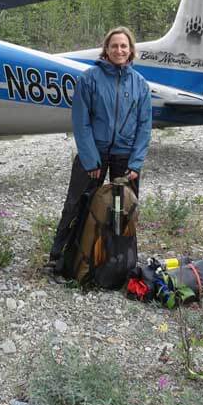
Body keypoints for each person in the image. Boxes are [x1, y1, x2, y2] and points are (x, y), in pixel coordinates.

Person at [46, 26, 153, 270]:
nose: (119, 50)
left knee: (123, 210)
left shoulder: (140, 85)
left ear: (131, 50)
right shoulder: (89, 79)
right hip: (93, 152)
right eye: (114, 46)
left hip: (125, 156)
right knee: (77, 204)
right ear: (106, 49)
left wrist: (136, 163)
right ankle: (61, 258)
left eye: (124, 46)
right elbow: (80, 121)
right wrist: (90, 159)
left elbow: (144, 126)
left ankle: (118, 262)